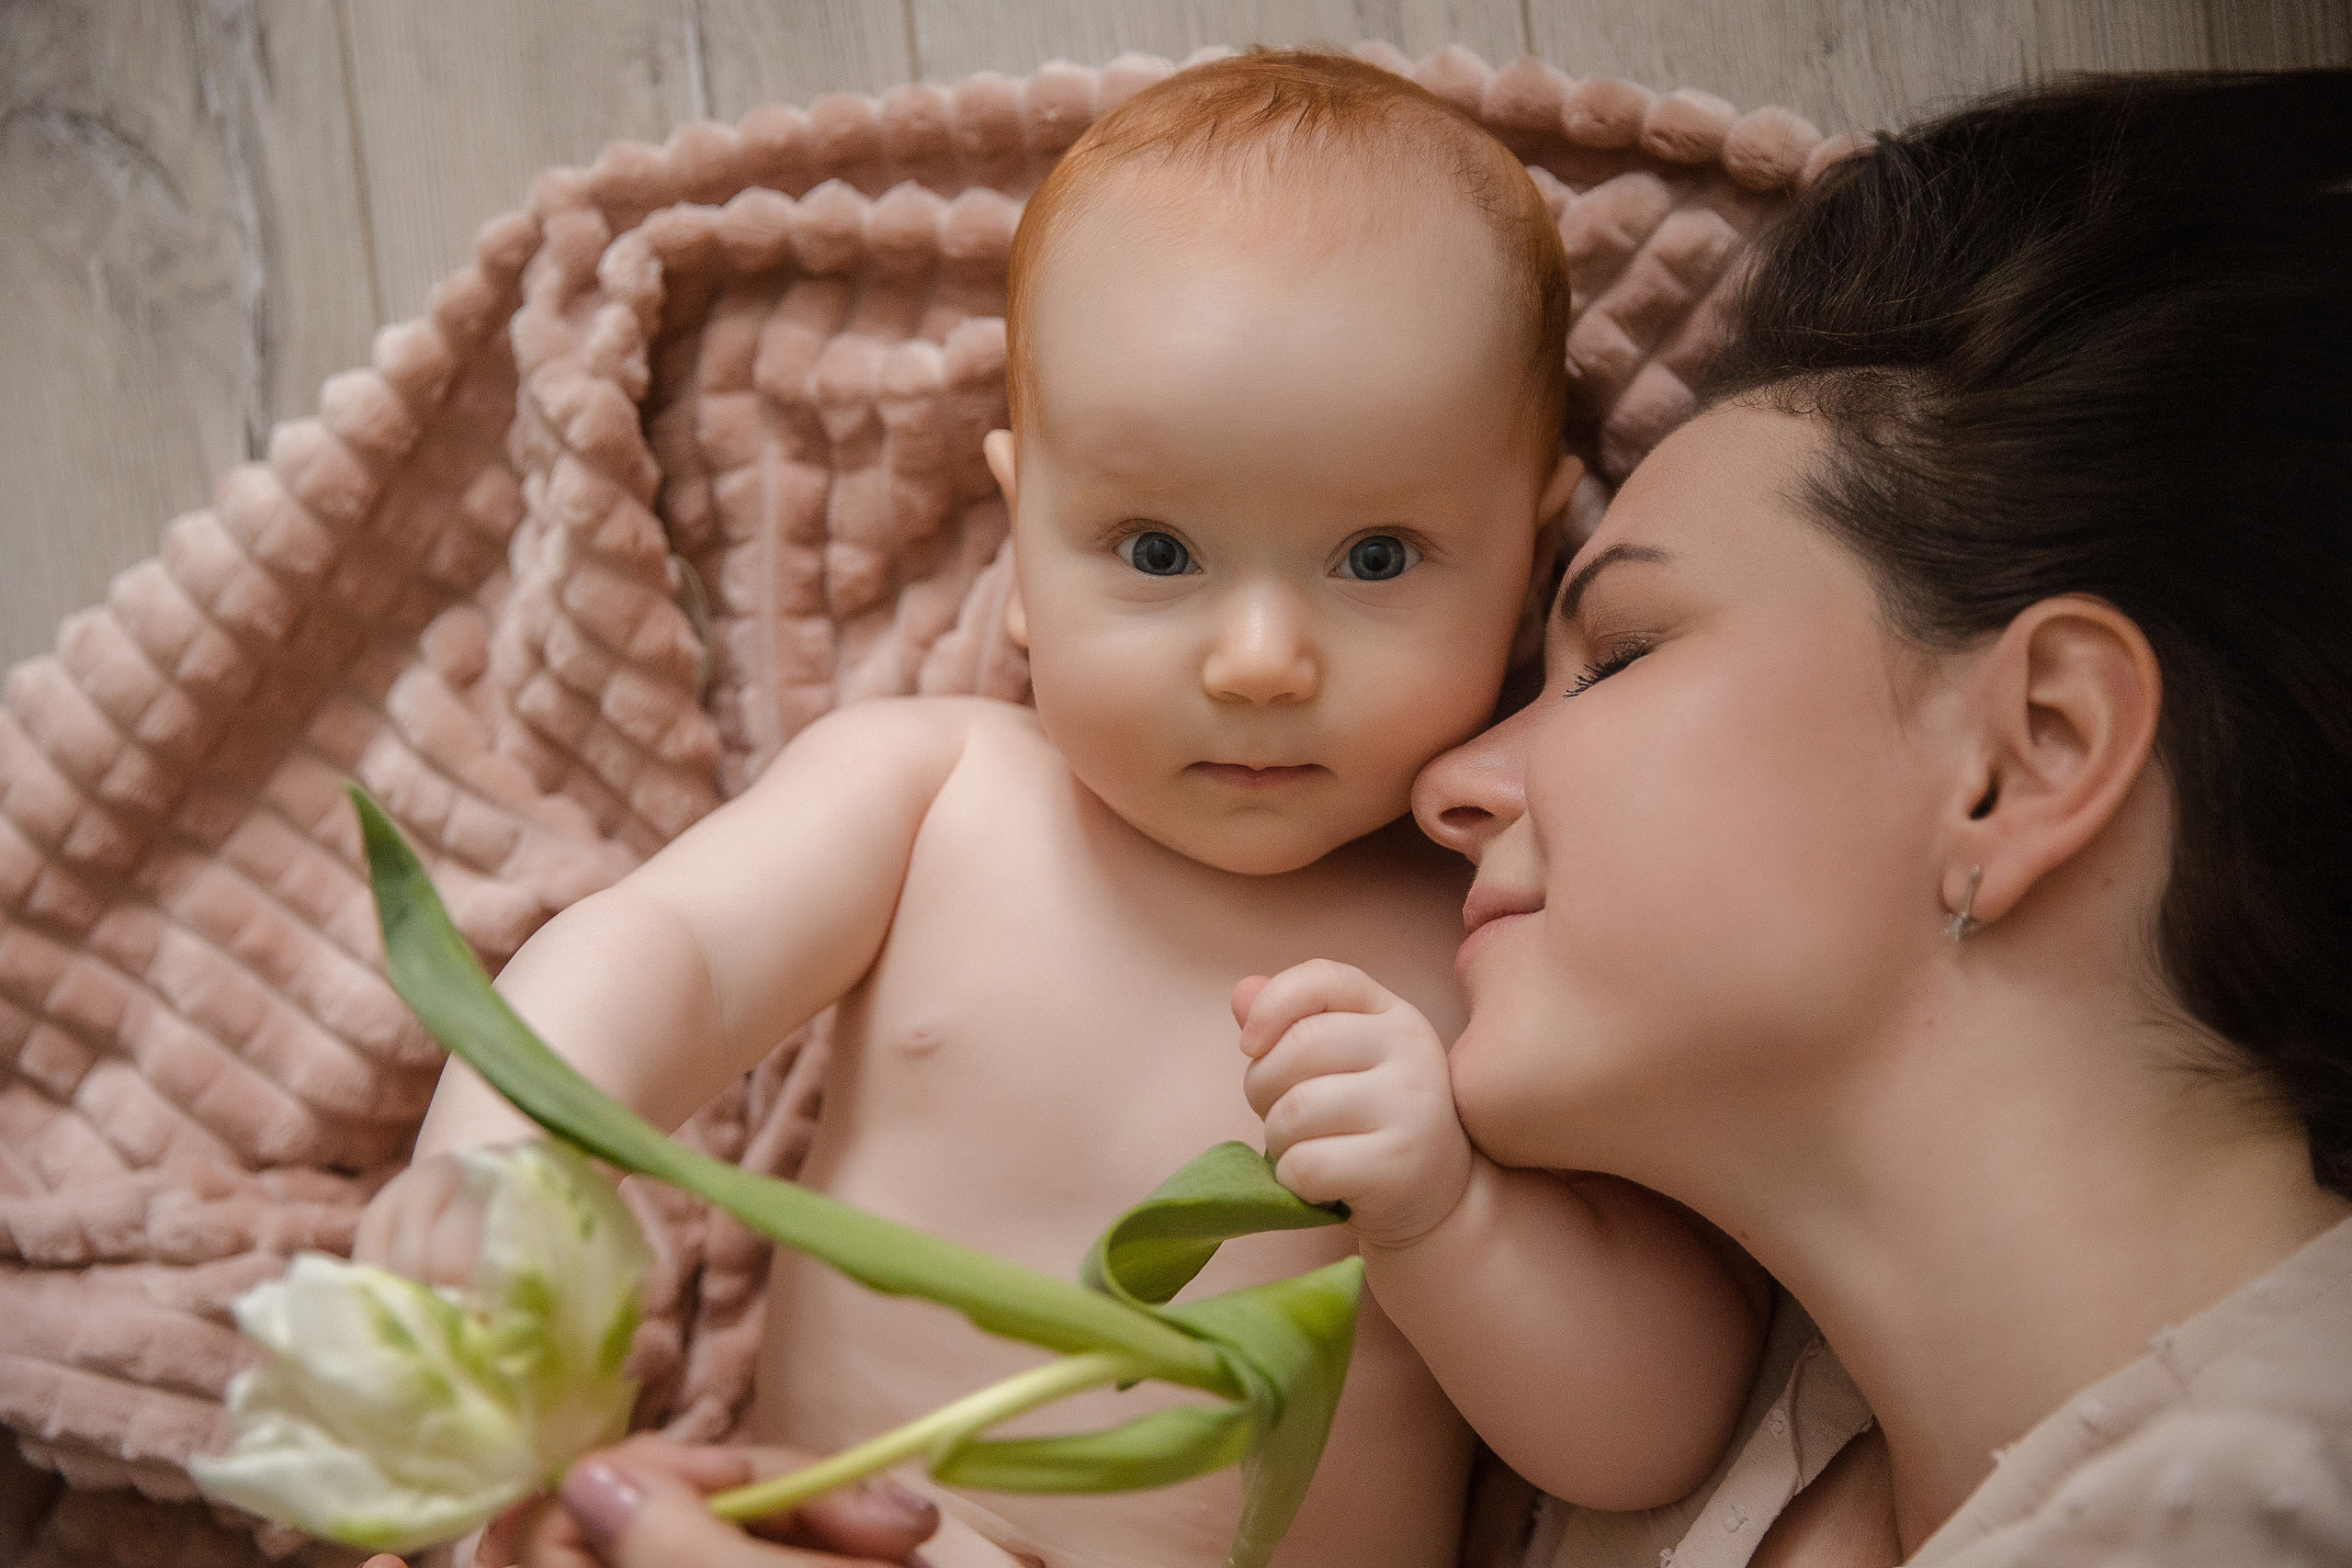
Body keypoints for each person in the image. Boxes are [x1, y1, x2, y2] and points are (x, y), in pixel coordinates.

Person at [354, 51, 1764, 1568]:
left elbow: (1651, 1432)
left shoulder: (1496, 926)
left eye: (1378, 559)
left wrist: (1448, 1216)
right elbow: (663, 957)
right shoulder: (935, 793)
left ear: (1533, 550)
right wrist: (507, 1162)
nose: (1260, 662)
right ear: (1020, 541)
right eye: (1157, 553)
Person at [1254, 66, 2352, 1567]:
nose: (1446, 782)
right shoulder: (1636, 1454)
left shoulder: (2270, 1508)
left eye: (1620, 654)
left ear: (2027, 754)